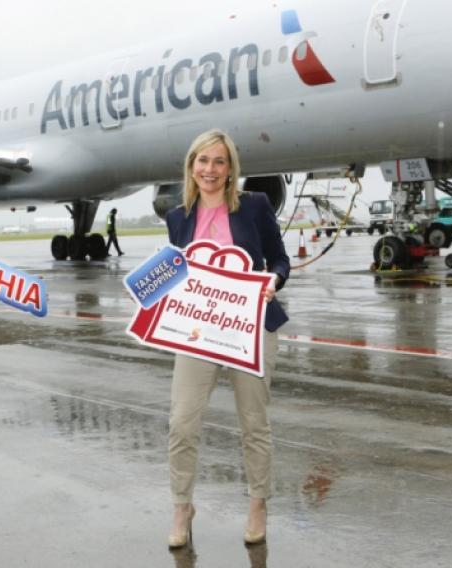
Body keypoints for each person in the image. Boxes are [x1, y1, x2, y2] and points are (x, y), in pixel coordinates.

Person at [164, 129, 290, 547]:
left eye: (219, 162)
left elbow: (280, 258)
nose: (210, 170)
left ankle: (258, 503)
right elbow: (178, 274)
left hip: (250, 329)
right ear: (191, 166)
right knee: (182, 422)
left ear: (231, 167)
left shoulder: (254, 206)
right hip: (199, 333)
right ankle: (182, 507)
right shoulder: (178, 215)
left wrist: (274, 279)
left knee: (254, 424)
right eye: (203, 161)